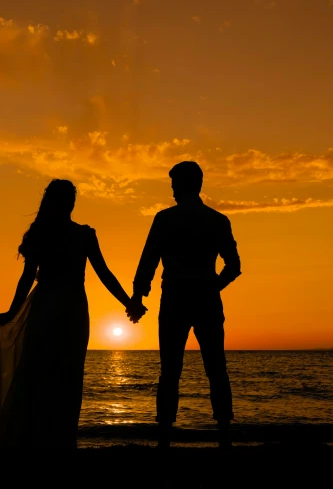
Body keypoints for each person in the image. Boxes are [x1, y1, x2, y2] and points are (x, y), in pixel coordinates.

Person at [0, 179, 146, 448]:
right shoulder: (74, 234)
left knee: (51, 372)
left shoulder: (63, 234)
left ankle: (47, 437)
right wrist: (12, 311)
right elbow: (29, 277)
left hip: (57, 308)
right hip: (64, 308)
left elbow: (103, 274)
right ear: (65, 202)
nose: (70, 203)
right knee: (57, 374)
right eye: (68, 198)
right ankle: (51, 438)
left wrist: (129, 302)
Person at [128, 161, 241, 449]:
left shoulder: (165, 219)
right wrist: (214, 285)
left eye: (173, 183)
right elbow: (233, 266)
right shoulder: (217, 220)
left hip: (176, 297)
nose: (171, 189)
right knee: (216, 367)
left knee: (170, 370)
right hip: (206, 297)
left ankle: (165, 435)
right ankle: (224, 434)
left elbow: (149, 260)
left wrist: (139, 296)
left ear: (180, 185)